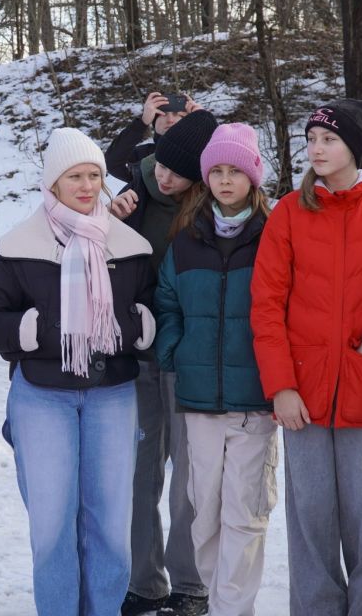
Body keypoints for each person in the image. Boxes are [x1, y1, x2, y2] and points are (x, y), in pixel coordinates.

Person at [0, 127, 156, 616]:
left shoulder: (130, 246)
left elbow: (157, 308)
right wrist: (35, 330)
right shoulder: (19, 246)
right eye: (75, 176)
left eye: (94, 175)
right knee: (52, 524)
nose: (87, 185)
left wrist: (139, 326)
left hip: (113, 392)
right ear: (53, 182)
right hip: (41, 396)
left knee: (110, 523)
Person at [250, 99, 362, 616]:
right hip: (302, 391)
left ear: (354, 148)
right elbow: (266, 303)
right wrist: (281, 386)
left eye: (329, 140)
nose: (316, 149)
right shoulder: (288, 212)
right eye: (311, 140)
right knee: (311, 521)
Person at [154, 123, 277, 616]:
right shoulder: (187, 241)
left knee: (244, 513)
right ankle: (214, 599)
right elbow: (167, 302)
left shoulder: (275, 236)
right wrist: (175, 352)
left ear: (253, 177)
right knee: (203, 512)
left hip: (255, 402)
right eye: (218, 171)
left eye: (236, 171)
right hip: (199, 401)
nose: (226, 180)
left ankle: (235, 610)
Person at [110, 109, 218, 616]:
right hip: (137, 356)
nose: (165, 176)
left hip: (188, 357)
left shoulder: (212, 207)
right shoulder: (134, 193)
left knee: (187, 480)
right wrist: (108, 221)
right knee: (138, 474)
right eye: (162, 165)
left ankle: (190, 585)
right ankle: (143, 582)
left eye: (178, 172)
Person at [104, 91, 197, 183]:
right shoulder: (141, 155)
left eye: (177, 115)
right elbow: (112, 163)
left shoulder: (199, 152)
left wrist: (201, 120)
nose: (170, 120)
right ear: (154, 121)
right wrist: (142, 123)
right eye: (163, 114)